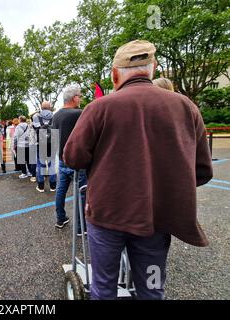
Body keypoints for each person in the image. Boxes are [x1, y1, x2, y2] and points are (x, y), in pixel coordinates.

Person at [63, 40, 213, 300]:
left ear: (114, 74)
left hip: (107, 216)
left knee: (104, 287)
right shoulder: (186, 107)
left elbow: (73, 157)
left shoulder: (98, 108)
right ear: (153, 69)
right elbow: (201, 170)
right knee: (152, 288)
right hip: (157, 217)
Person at [52, 85, 87, 229]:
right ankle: (81, 226)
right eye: (80, 96)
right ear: (75, 98)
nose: (81, 98)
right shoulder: (79, 113)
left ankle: (60, 218)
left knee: (61, 190)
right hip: (77, 160)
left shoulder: (56, 115)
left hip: (62, 158)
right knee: (81, 193)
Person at [32, 101, 57, 192]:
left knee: (40, 165)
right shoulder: (55, 116)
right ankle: (53, 186)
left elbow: (35, 129)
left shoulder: (36, 116)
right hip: (52, 144)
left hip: (40, 144)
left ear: (41, 107)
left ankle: (41, 186)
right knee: (52, 165)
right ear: (50, 107)